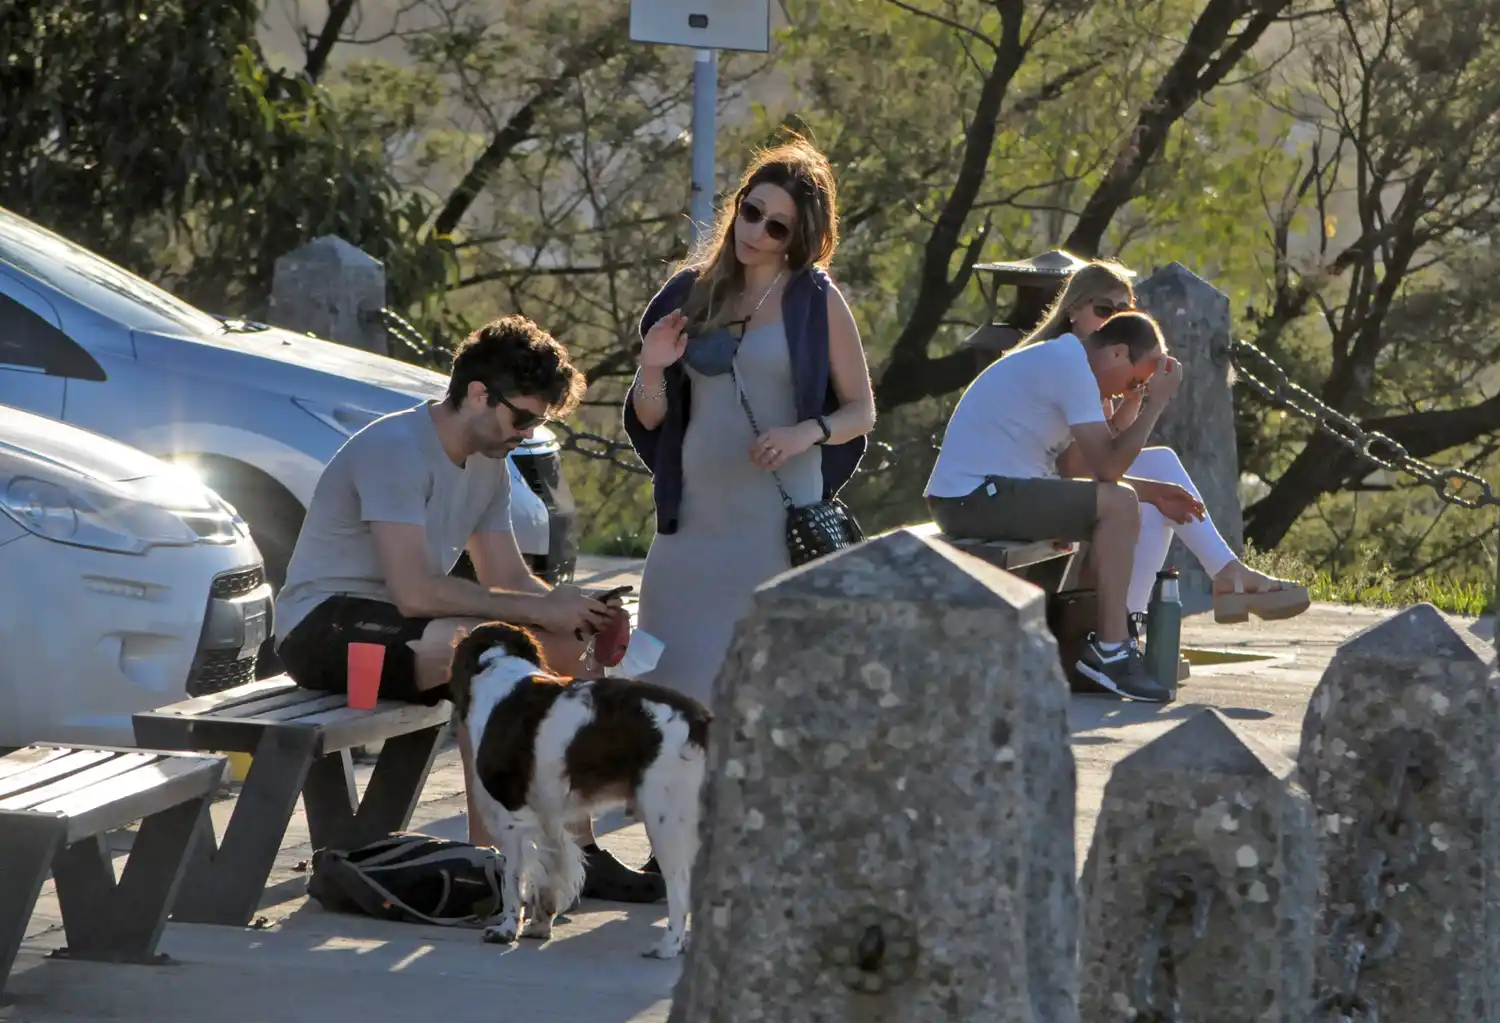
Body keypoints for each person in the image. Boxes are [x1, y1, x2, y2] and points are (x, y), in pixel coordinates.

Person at [273, 315, 664, 903]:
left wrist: (573, 609)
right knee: (482, 654)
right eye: (523, 418)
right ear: (479, 394)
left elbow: (505, 578)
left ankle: (578, 850)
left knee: (567, 649)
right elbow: (415, 591)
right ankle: (494, 863)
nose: (526, 434)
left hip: (408, 631)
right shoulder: (395, 449)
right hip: (325, 627)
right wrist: (534, 609)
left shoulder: (489, 463)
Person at [624, 134, 878, 707]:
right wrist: (652, 367)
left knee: (752, 693)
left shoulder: (816, 301)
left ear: (801, 238)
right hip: (689, 524)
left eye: (776, 227)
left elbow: (861, 412)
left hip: (774, 528)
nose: (755, 231)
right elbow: (650, 416)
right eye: (751, 211)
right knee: (663, 694)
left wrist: (804, 433)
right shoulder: (690, 293)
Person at [1028, 260, 1310, 626]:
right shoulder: (1068, 362)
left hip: (1053, 484)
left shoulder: (1095, 363)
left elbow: (1102, 445)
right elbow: (1080, 467)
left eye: (1123, 311)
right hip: (1028, 492)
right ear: (1072, 311)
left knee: (1159, 481)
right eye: (1103, 310)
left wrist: (1132, 398)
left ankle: (1139, 623)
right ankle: (1203, 586)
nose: (1113, 320)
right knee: (1158, 485)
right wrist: (1155, 412)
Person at [926, 310, 1186, 701]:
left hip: (979, 494)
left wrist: (1153, 490)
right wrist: (1156, 403)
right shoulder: (1071, 367)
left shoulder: (1067, 360)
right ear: (1117, 353)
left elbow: (1075, 467)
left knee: (1120, 505)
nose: (1125, 392)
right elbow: (1109, 469)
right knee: (1120, 505)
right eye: (1134, 381)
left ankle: (1085, 645)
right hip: (973, 497)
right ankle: (1111, 650)